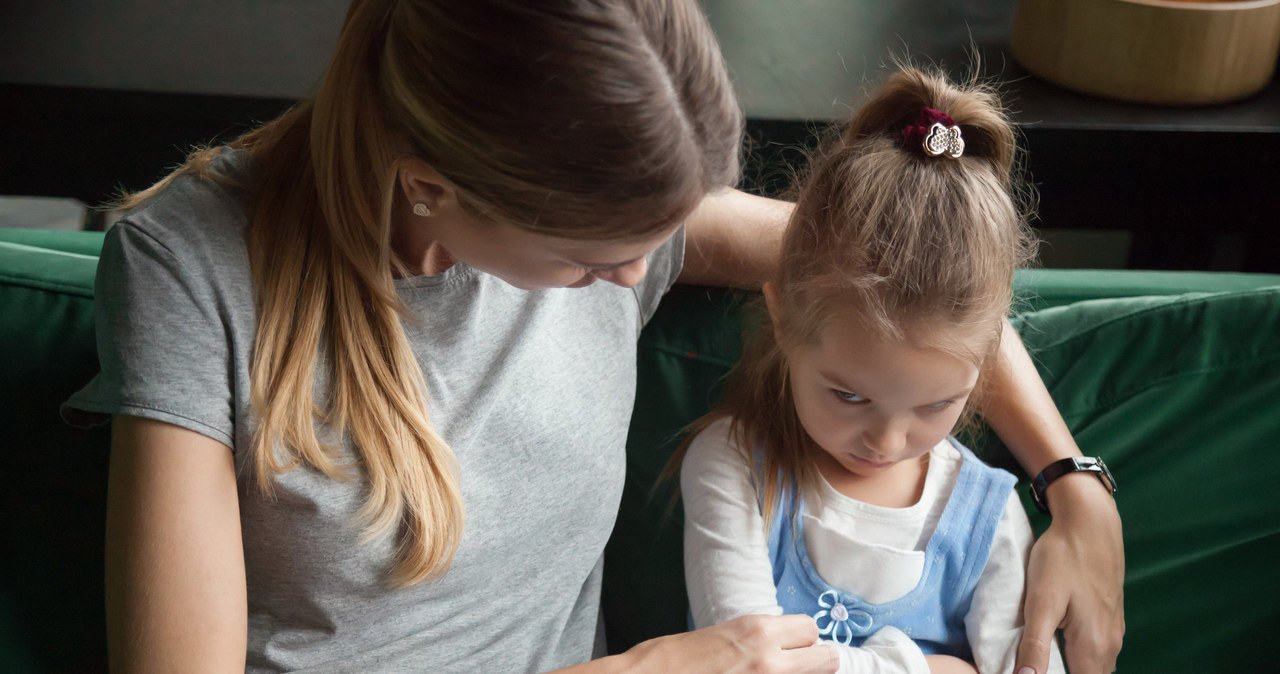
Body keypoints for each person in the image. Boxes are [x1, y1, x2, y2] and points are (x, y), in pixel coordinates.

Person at [61, 0, 1120, 671]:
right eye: (589, 262)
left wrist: (1070, 480)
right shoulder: (189, 270)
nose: (628, 279)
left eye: (661, 237)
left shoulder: (616, 217)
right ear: (431, 188)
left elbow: (923, 274)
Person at [676, 67, 1085, 674]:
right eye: (848, 395)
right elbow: (749, 664)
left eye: (935, 406)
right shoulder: (732, 465)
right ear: (782, 319)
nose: (887, 442)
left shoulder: (986, 513)